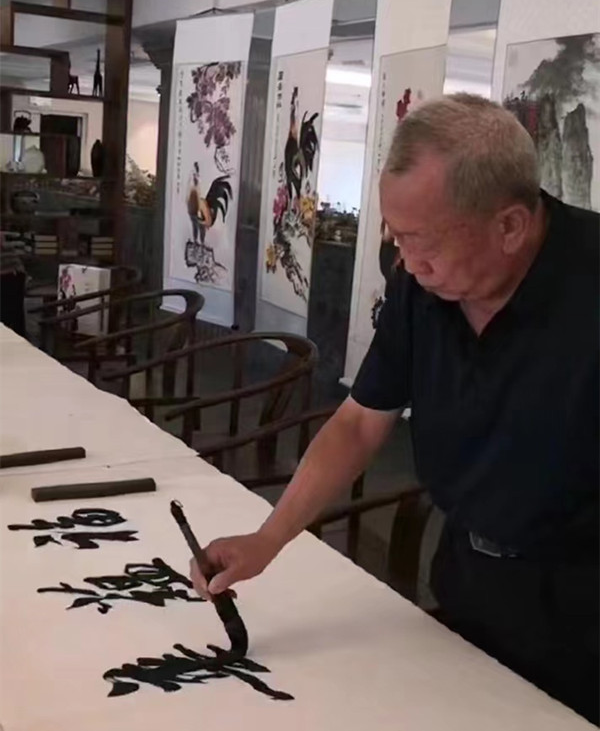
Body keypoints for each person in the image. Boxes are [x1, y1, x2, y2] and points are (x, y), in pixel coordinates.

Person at [190, 94, 599, 724]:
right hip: (469, 578)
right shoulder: (423, 286)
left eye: (421, 241)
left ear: (511, 226)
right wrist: (269, 538)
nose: (405, 262)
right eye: (395, 236)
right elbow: (359, 422)